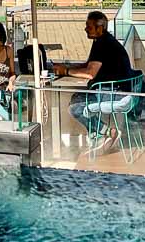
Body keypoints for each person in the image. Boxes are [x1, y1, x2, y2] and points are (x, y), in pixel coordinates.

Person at [53, 12, 133, 150]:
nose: (85, 29)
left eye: (89, 27)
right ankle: (96, 134)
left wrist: (65, 71)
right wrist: (68, 67)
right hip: (117, 90)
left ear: (100, 28)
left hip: (114, 93)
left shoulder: (103, 44)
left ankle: (107, 132)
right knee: (76, 98)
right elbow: (89, 65)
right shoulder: (103, 41)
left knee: (75, 107)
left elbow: (90, 73)